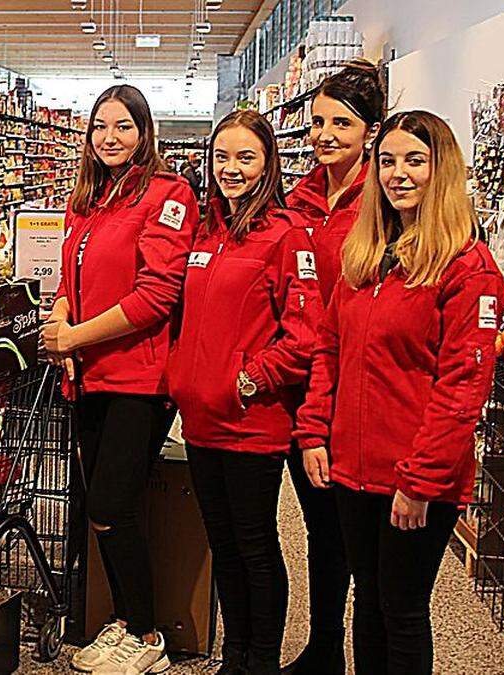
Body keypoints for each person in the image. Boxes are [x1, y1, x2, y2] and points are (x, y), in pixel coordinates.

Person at [295, 111, 504, 675]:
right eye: (387, 161)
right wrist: (313, 431)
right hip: (351, 469)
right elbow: (329, 350)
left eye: (415, 160)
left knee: (402, 610)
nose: (398, 174)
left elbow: (462, 387)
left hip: (414, 478)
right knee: (368, 600)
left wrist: (421, 482)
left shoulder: (467, 267)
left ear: (442, 170)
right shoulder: (366, 258)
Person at [41, 84, 197, 675]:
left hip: (139, 377)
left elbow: (159, 295)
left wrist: (75, 338)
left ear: (145, 133)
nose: (110, 137)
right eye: (101, 126)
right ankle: (128, 619)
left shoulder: (167, 194)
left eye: (124, 126)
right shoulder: (88, 198)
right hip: (88, 378)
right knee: (97, 504)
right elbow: (67, 278)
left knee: (111, 504)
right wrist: (60, 319)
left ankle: (145, 634)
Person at [167, 110, 324, 675]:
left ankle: (260, 660)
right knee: (224, 546)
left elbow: (305, 334)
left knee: (255, 546)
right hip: (202, 419)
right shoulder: (205, 232)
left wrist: (248, 378)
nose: (231, 169)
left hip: (252, 422)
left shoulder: (285, 235)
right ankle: (234, 655)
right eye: (222, 156)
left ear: (268, 164)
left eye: (245, 157)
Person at [281, 60, 385, 675]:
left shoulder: (387, 198)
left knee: (360, 531)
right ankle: (324, 648)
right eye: (317, 121)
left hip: (361, 384)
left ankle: (367, 649)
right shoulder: (300, 199)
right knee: (322, 523)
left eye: (340, 123)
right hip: (304, 382)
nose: (323, 134)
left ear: (369, 130)